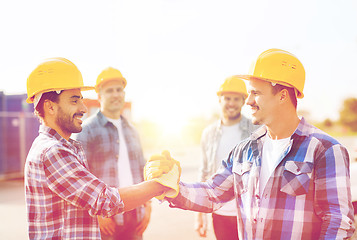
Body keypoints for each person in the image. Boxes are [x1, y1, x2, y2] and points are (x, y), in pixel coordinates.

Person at [145, 49, 355, 239]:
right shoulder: (244, 150)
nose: (248, 101)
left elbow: (338, 222)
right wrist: (174, 188)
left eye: (255, 93)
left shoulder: (325, 150)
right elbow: (213, 193)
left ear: (282, 96)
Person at [24, 57, 178, 239]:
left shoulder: (62, 147)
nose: (83, 107)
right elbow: (103, 200)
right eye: (74, 101)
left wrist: (147, 201)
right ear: (50, 107)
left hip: (131, 216)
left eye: (81, 100)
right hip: (110, 219)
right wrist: (161, 184)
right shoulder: (53, 152)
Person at [73, 67, 151, 240]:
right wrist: (97, 213)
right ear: (99, 96)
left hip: (135, 215)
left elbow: (143, 170)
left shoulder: (132, 130)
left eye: (119, 90)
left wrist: (148, 206)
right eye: (109, 91)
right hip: (106, 217)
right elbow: (80, 177)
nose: (116, 94)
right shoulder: (86, 130)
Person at [195, 76, 257, 239]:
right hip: (220, 211)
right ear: (219, 100)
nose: (231, 103)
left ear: (244, 101)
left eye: (237, 99)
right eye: (227, 98)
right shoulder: (209, 134)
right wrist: (200, 214)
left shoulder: (256, 128)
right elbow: (204, 172)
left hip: (249, 212)